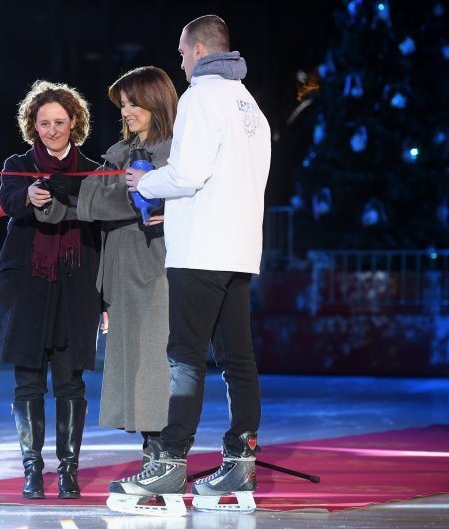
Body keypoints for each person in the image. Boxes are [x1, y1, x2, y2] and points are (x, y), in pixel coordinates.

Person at [108, 15, 272, 515]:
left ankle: (171, 460)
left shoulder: (202, 97)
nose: (180, 61)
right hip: (240, 247)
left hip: (201, 248)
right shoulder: (251, 105)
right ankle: (240, 459)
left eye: (182, 52)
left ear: (199, 51)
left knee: (184, 358)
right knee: (237, 359)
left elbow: (188, 173)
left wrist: (146, 185)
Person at [38, 67, 177, 469]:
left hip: (156, 269)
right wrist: (41, 198)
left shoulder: (177, 151)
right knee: (132, 363)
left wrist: (79, 192)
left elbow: (121, 198)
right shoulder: (120, 152)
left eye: (134, 103)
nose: (127, 111)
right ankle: (153, 458)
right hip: (119, 271)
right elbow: (90, 199)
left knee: (153, 362)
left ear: (156, 102)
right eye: (124, 105)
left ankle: (164, 457)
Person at [0, 80, 102, 500]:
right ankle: (32, 471)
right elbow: (6, 201)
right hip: (27, 288)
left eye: (59, 122)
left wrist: (104, 299)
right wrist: (28, 195)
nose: (52, 130)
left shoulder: (91, 169)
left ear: (74, 122)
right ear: (32, 126)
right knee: (28, 383)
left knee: (71, 383)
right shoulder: (17, 164)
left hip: (75, 288)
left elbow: (103, 229)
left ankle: (68, 472)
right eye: (44, 123)